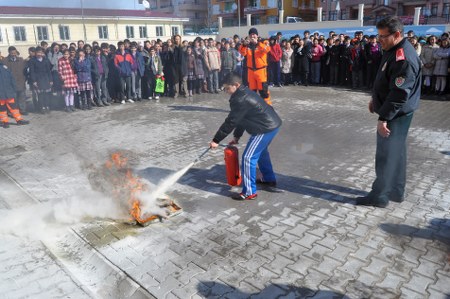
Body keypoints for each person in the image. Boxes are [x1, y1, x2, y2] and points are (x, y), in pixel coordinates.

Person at [356, 16, 421, 208]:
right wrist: (375, 100)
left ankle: (380, 196)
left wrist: (383, 117)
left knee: (386, 155)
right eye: (378, 35)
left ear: (397, 34)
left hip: (396, 114)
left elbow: (399, 93)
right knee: (397, 153)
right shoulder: (392, 49)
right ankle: (396, 191)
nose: (379, 40)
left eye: (384, 36)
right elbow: (387, 82)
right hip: (395, 110)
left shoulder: (404, 58)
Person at [209, 72, 282, 200]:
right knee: (261, 153)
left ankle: (249, 192)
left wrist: (216, 140)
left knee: (248, 158)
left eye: (227, 88)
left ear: (236, 85)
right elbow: (242, 118)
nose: (226, 91)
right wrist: (237, 136)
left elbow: (231, 121)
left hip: (265, 128)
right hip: (272, 125)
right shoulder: (243, 93)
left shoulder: (240, 99)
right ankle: (268, 179)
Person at [239, 28, 272, 105]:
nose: (252, 35)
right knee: (252, 92)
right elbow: (242, 52)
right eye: (251, 34)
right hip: (251, 72)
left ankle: (268, 107)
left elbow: (267, 49)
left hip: (261, 71)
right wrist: (244, 45)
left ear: (257, 35)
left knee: (263, 91)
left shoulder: (264, 42)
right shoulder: (247, 45)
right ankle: (253, 108)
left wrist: (257, 43)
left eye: (254, 34)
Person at [0, 61, 29, 128]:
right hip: (1, 93)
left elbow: (12, 78)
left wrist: (14, 88)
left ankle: (19, 120)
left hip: (8, 92)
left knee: (14, 107)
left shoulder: (5, 67)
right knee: (2, 109)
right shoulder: (5, 67)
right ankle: (5, 122)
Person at [2, 46, 28, 114]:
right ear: (9, 53)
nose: (13, 54)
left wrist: (24, 78)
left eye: (14, 53)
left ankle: (23, 110)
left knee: (22, 97)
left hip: (20, 81)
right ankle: (12, 112)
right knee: (12, 99)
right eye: (12, 53)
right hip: (10, 83)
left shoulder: (21, 60)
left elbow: (25, 70)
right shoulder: (4, 61)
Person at [29, 46, 53, 113]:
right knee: (41, 94)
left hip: (46, 79)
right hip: (38, 79)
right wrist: (34, 81)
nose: (39, 54)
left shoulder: (45, 60)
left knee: (47, 94)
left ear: (42, 53)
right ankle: (42, 107)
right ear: (35, 53)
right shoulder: (32, 61)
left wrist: (51, 80)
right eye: (38, 52)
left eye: (40, 52)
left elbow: (49, 71)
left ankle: (47, 106)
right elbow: (32, 72)